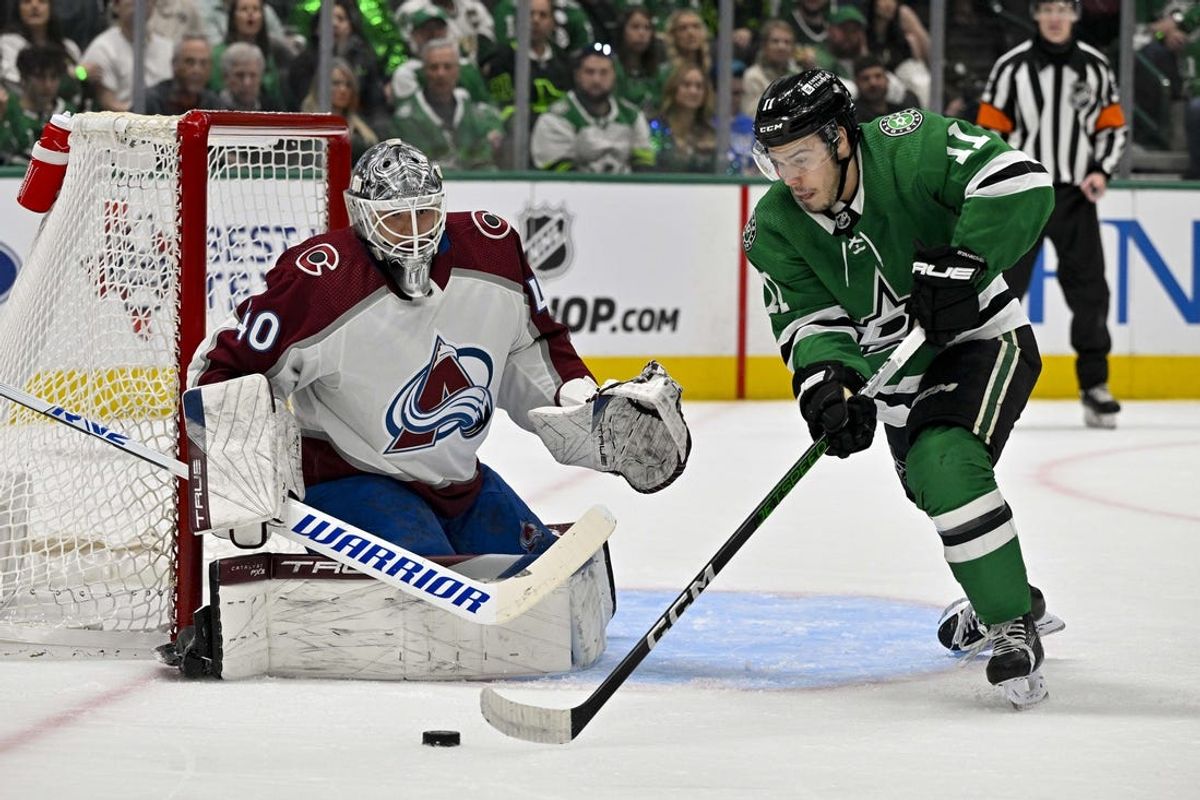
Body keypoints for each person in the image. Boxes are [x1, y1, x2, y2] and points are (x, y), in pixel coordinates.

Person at [177, 138, 690, 675]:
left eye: (425, 213)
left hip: (457, 480)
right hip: (352, 476)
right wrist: (240, 470)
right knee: (433, 595)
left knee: (551, 587)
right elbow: (226, 371)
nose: (416, 231)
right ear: (360, 216)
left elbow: (533, 346)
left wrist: (583, 402)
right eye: (397, 219)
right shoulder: (322, 282)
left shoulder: (492, 250)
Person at [744, 69, 1063, 706]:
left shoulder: (908, 146)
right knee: (936, 493)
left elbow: (1022, 181)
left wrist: (967, 262)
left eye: (802, 157)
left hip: (980, 343)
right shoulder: (776, 225)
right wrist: (828, 386)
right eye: (777, 162)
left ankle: (1010, 627)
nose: (791, 178)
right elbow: (808, 320)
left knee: (944, 460)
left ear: (839, 139)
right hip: (897, 381)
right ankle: (1007, 593)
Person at [976, 0, 1127, 428]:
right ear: (1036, 15)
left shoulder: (1095, 67)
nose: (1056, 17)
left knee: (1091, 293)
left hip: (1076, 196)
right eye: (1048, 8)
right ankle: (984, 379)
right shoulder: (1011, 67)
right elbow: (989, 129)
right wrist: (1002, 181)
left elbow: (1112, 126)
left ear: (1075, 15)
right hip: (1024, 195)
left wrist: (1101, 171)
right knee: (1002, 292)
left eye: (1063, 8)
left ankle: (1095, 387)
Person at [531, 41, 654, 172]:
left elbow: (644, 165)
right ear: (577, 76)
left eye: (604, 73)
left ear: (614, 76)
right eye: (590, 72)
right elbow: (560, 175)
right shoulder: (555, 118)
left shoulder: (632, 116)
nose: (597, 80)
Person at [391, 37, 503, 170]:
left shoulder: (476, 114)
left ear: (458, 71)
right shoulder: (406, 118)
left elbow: (485, 158)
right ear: (424, 71)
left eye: (447, 67)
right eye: (434, 67)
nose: (441, 74)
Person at [79, 0, 175, 111]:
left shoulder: (168, 48)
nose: (140, 3)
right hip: (123, 122)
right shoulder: (102, 48)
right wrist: (147, 116)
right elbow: (109, 104)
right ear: (115, 6)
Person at [210, 0, 293, 112]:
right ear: (233, 16)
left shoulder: (273, 52)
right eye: (244, 9)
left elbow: (276, 94)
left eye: (256, 9)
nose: (251, 14)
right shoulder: (217, 54)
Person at [0, 43, 73, 165]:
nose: (48, 85)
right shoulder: (6, 109)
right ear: (24, 78)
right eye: (40, 77)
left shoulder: (70, 113)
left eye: (54, 77)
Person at [299, 57, 383, 161]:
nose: (343, 90)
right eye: (336, 83)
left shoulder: (362, 131)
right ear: (321, 86)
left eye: (348, 85)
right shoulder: (304, 126)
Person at [0, 0, 81, 96]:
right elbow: (16, 80)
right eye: (27, 2)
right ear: (18, 9)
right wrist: (70, 76)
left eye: (42, 1)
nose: (34, 6)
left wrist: (80, 73)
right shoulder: (7, 43)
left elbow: (81, 75)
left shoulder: (69, 47)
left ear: (51, 7)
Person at [649, 63, 717, 173]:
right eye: (686, 85)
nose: (693, 91)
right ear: (674, 89)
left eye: (699, 86)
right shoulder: (655, 129)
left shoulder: (712, 132)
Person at [144, 34, 223, 114]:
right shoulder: (150, 103)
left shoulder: (216, 106)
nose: (197, 70)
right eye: (189, 62)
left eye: (204, 63)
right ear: (174, 64)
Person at [742, 19, 799, 117]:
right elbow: (753, 115)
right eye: (775, 41)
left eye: (787, 42)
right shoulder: (753, 76)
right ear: (764, 46)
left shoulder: (797, 75)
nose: (781, 47)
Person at [215, 40, 280, 110]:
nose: (247, 83)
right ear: (226, 77)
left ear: (261, 77)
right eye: (240, 75)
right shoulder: (212, 107)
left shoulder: (272, 109)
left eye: (253, 75)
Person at [853, 53, 917, 123]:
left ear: (887, 79)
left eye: (878, 76)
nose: (873, 83)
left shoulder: (901, 113)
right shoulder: (853, 116)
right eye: (865, 78)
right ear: (856, 83)